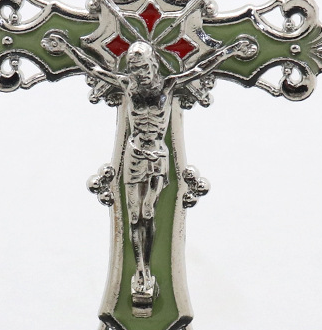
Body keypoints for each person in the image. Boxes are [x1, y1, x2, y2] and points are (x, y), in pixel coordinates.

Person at [43, 33, 244, 306]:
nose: (141, 74)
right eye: (135, 69)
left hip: (158, 157)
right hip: (134, 156)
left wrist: (230, 50)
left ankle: (146, 269)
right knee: (134, 217)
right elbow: (94, 68)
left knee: (149, 211)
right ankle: (142, 270)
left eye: (145, 67)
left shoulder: (169, 85)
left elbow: (200, 69)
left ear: (154, 63)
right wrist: (67, 47)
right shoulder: (128, 86)